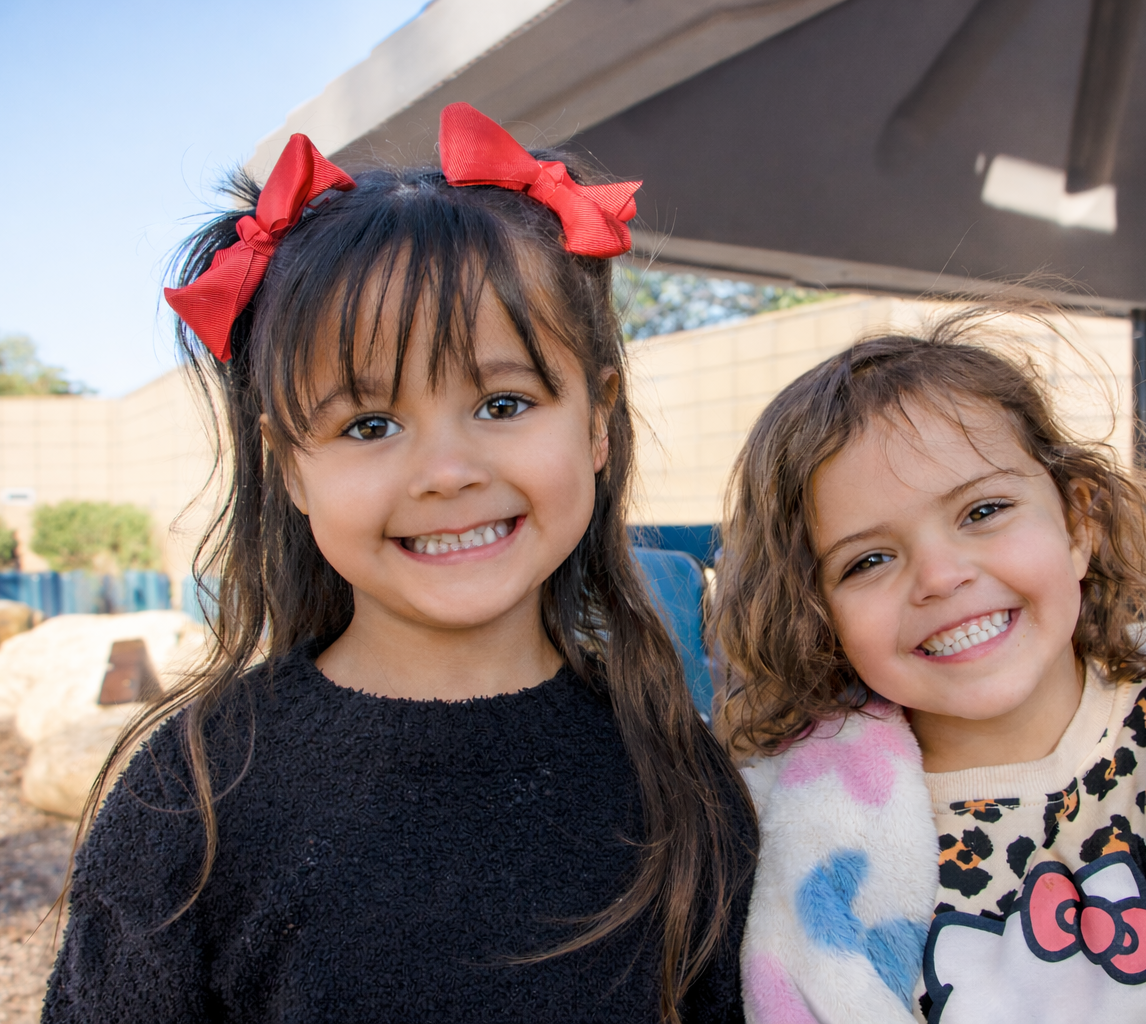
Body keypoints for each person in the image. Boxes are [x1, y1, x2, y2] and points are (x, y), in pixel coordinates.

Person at [43, 103, 752, 1024]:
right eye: (369, 425)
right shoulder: (198, 799)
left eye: (502, 403)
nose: (447, 472)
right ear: (288, 463)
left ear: (599, 420)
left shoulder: (674, 770)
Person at [710, 316, 1146, 1023]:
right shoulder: (792, 840)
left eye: (983, 510)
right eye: (869, 560)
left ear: (1077, 524)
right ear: (818, 616)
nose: (941, 577)